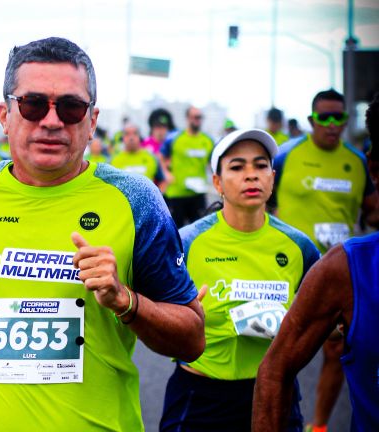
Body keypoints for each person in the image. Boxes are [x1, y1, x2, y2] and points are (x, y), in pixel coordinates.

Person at [0, 36, 205, 432]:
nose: (51, 121)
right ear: (5, 115)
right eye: (33, 104)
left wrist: (126, 301)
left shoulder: (137, 201)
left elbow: (192, 339)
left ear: (91, 122)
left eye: (71, 107)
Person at [159, 129, 320, 432]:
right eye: (237, 167)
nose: (251, 175)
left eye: (260, 166)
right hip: (201, 397)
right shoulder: (186, 241)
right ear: (217, 182)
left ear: (272, 177)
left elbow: (329, 317)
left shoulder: (299, 246)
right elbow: (154, 315)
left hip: (274, 392)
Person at [253, 94, 379, 432]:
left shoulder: (355, 162)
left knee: (337, 349)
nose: (332, 125)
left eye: (339, 118)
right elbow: (262, 202)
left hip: (345, 271)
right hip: (293, 265)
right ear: (311, 121)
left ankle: (319, 423)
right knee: (275, 347)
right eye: (324, 118)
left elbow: (372, 210)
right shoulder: (287, 155)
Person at [161, 106, 214, 228]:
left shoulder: (208, 140)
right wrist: (166, 173)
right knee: (176, 232)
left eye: (200, 117)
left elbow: (212, 163)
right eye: (194, 117)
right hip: (177, 193)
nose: (197, 120)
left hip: (198, 194)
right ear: (187, 118)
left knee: (200, 230)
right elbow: (162, 156)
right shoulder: (174, 138)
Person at [111, 123, 165, 190]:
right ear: (123, 138)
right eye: (127, 134)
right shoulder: (114, 160)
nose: (131, 137)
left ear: (139, 136)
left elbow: (162, 181)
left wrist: (157, 198)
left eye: (135, 133)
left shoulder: (151, 157)